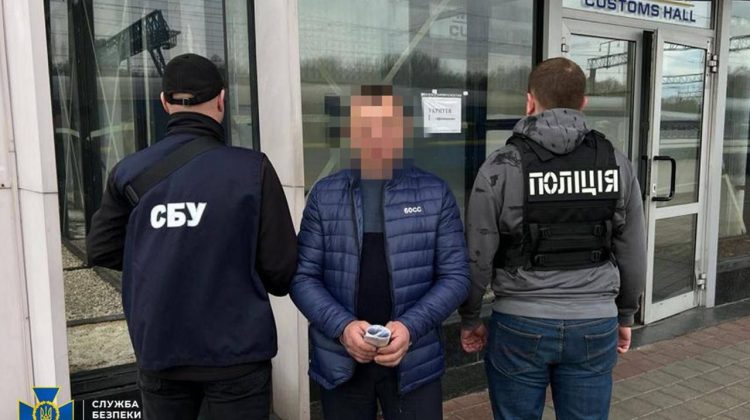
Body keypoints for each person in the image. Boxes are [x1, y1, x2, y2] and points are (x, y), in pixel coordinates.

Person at [86, 53, 297, 420]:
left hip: (161, 353)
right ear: (222, 100)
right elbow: (281, 272)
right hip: (237, 357)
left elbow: (101, 249)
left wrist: (163, 250)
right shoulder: (253, 170)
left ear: (165, 102)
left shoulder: (129, 172)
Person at [459, 57, 646, 419]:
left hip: (520, 323)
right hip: (594, 323)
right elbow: (632, 250)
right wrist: (626, 314)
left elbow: (477, 252)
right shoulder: (616, 163)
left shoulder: (502, 165)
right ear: (583, 103)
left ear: (530, 101)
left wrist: (470, 318)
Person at [290, 85, 470, 420]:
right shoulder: (325, 195)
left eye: (386, 124)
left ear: (403, 129)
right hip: (342, 360)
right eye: (364, 126)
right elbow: (303, 277)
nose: (375, 136)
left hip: (414, 361)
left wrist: (410, 328)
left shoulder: (435, 193)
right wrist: (342, 327)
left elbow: (456, 277)